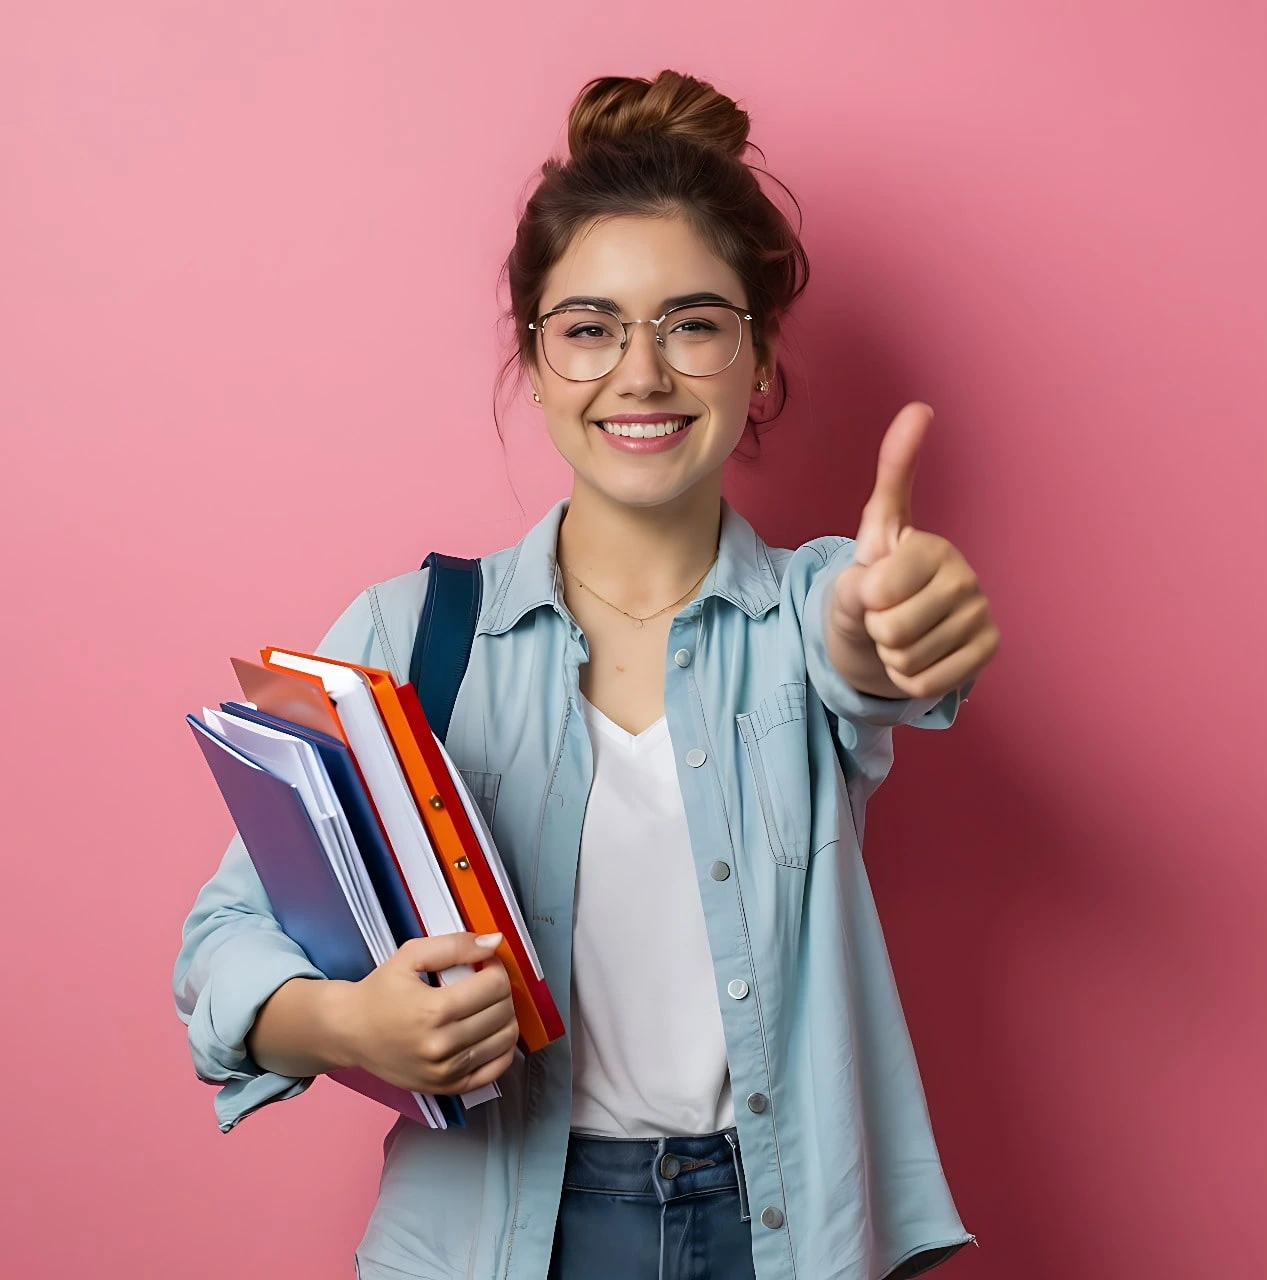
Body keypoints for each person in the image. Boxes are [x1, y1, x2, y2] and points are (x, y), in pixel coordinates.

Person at [174, 69, 1000, 1280]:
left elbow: (860, 647)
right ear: (538, 355)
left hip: (776, 1229)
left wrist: (891, 628)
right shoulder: (411, 634)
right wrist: (356, 1022)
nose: (642, 372)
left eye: (694, 322)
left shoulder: (805, 609)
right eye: (591, 326)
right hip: (493, 1228)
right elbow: (222, 939)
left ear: (758, 360)